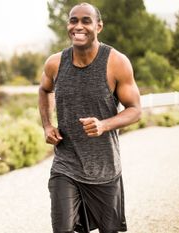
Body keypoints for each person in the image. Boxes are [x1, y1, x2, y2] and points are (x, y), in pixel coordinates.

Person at [38, 3, 141, 233]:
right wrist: (47, 125)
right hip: (66, 164)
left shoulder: (116, 62)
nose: (78, 26)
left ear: (99, 26)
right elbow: (44, 90)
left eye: (86, 21)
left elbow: (135, 109)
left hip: (104, 168)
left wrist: (104, 124)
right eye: (73, 20)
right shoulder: (55, 63)